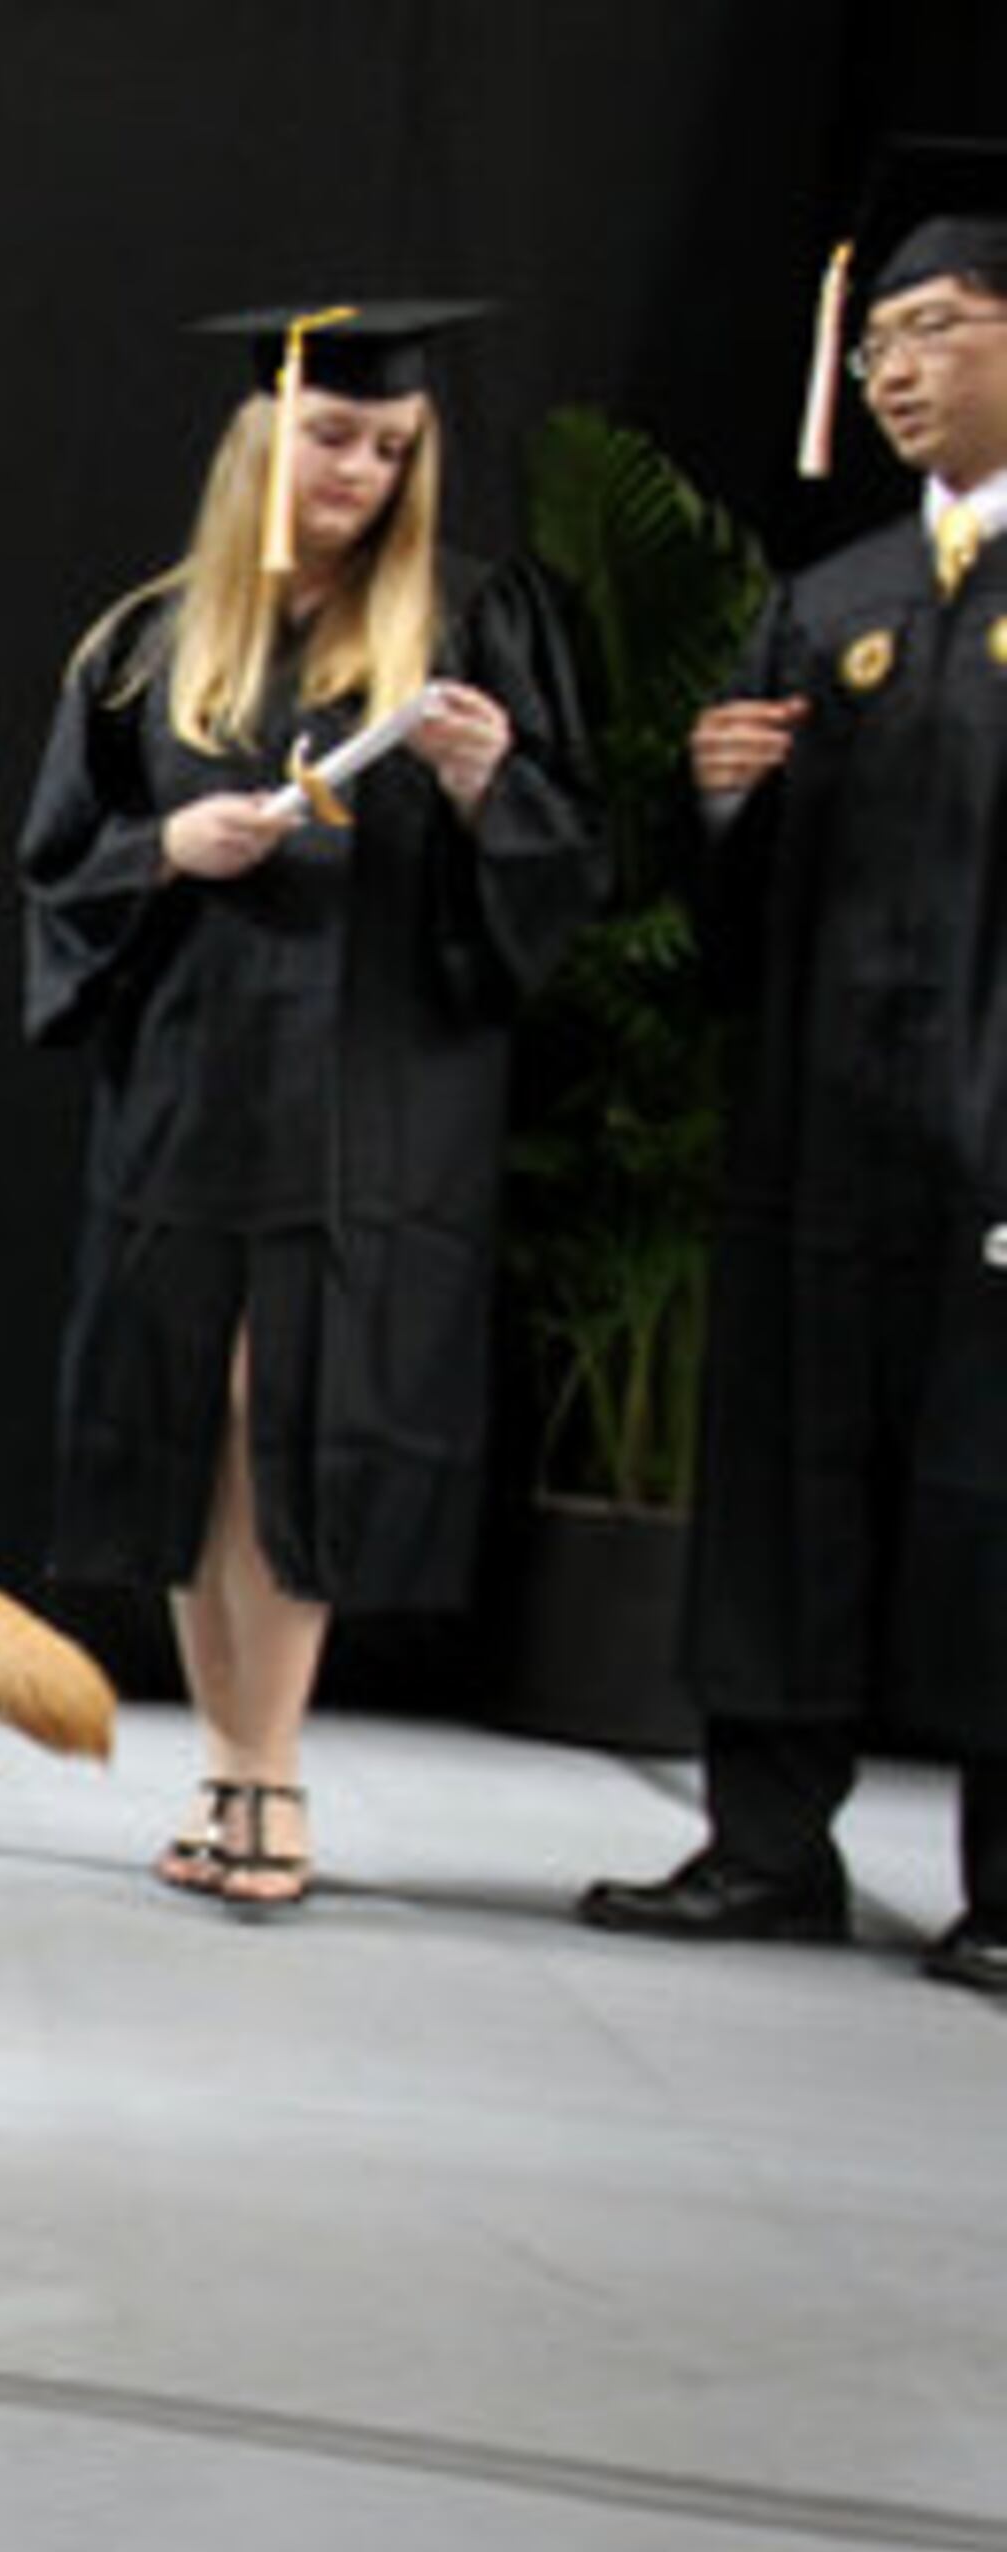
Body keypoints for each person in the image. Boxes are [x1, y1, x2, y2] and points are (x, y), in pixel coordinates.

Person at [19, 302, 600, 1915]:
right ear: (264, 440)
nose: (360, 466)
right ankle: (232, 1755)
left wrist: (493, 787)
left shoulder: (478, 623)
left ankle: (261, 1770)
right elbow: (62, 867)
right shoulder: (149, 637)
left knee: (296, 1408)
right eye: (334, 435)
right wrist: (166, 856)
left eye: (391, 445)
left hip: (377, 1092)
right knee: (205, 1412)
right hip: (195, 1081)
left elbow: (564, 873)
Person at [579, 144, 1007, 1994]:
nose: (894, 370)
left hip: (992, 1145)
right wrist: (725, 804)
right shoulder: (831, 595)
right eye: (883, 339)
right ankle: (768, 1842)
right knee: (790, 1479)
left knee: (996, 1498)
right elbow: (718, 931)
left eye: (936, 330)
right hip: (818, 1135)